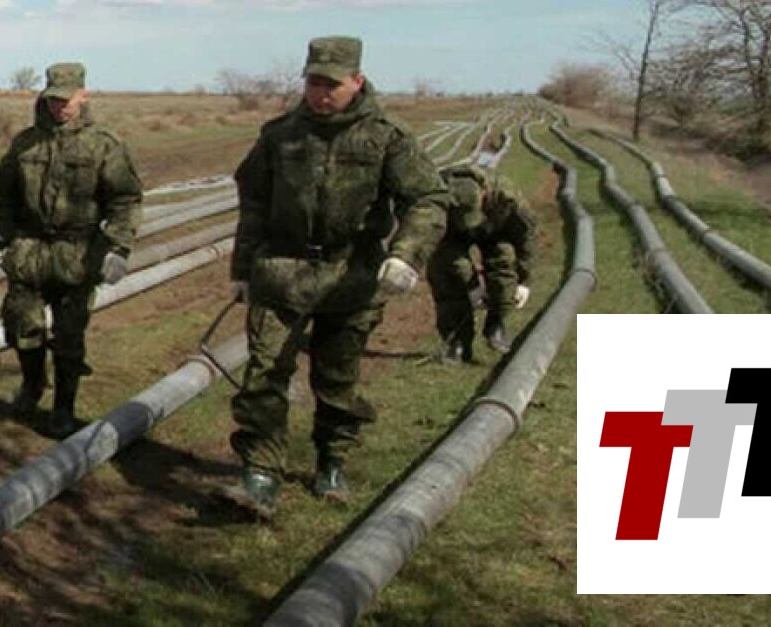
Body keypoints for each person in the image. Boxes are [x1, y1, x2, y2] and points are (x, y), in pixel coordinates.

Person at [216, 36, 452, 519]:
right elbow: (254, 202)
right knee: (264, 373)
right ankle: (260, 474)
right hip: (282, 271)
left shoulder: (386, 137)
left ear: (356, 81)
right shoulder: (280, 135)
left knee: (337, 379)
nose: (321, 94)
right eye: (313, 83)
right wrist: (242, 270)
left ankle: (332, 460)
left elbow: (428, 198)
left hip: (351, 276)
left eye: (332, 84)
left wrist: (406, 254)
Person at [0, 62, 143, 439]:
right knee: (21, 325)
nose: (59, 107)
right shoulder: (25, 142)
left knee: (69, 336)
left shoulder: (104, 145)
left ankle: (64, 407)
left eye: (66, 100)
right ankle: (32, 385)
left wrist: (119, 247)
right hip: (29, 250)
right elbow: (4, 196)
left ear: (83, 95)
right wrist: (1, 241)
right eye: (53, 100)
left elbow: (125, 199)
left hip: (77, 252)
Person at [426, 163, 536, 362]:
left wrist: (524, 281)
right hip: (452, 235)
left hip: (496, 230)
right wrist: (472, 285)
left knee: (505, 261)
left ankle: (497, 323)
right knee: (445, 273)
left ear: (484, 195)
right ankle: (457, 341)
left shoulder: (507, 197)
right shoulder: (437, 198)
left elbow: (525, 237)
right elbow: (441, 246)